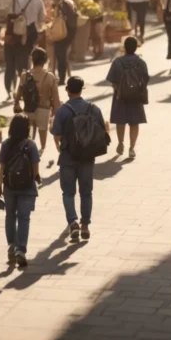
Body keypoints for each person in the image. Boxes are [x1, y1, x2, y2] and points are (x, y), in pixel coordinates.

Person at [52, 76, 109, 242]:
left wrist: (60, 148)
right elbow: (102, 131)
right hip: (87, 157)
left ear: (67, 90)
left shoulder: (63, 111)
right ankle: (85, 225)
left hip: (68, 157)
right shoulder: (93, 109)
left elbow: (56, 134)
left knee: (68, 192)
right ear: (82, 89)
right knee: (86, 192)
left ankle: (73, 222)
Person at [0, 114, 41, 268]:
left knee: (10, 216)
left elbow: (1, 167)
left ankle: (11, 246)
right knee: (24, 218)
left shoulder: (6, 144)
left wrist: (0, 186)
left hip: (9, 186)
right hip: (27, 186)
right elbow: (35, 168)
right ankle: (21, 250)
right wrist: (37, 178)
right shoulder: (31, 145)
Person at [106, 37, 149, 160]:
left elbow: (111, 80)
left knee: (121, 121)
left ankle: (120, 143)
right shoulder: (141, 63)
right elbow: (145, 79)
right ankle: (132, 148)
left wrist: (119, 88)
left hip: (120, 96)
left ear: (124, 47)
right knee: (134, 122)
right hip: (136, 97)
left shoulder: (117, 62)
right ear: (136, 47)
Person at [14, 47, 60, 157]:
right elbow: (56, 98)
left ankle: (27, 151)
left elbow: (19, 91)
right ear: (45, 60)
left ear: (32, 59)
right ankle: (41, 150)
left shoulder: (25, 75)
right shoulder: (49, 76)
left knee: (27, 136)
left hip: (28, 109)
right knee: (42, 132)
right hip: (43, 110)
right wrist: (56, 113)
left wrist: (16, 104)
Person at [5, 0, 46, 99]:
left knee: (10, 63)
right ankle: (23, 90)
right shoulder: (38, 0)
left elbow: (7, 14)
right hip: (29, 35)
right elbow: (42, 18)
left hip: (13, 34)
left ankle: (9, 90)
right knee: (25, 64)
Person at [47, 0, 78, 82]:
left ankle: (62, 78)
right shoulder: (68, 2)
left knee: (60, 54)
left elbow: (58, 20)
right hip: (71, 30)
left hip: (64, 32)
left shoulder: (61, 5)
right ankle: (63, 75)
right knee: (62, 53)